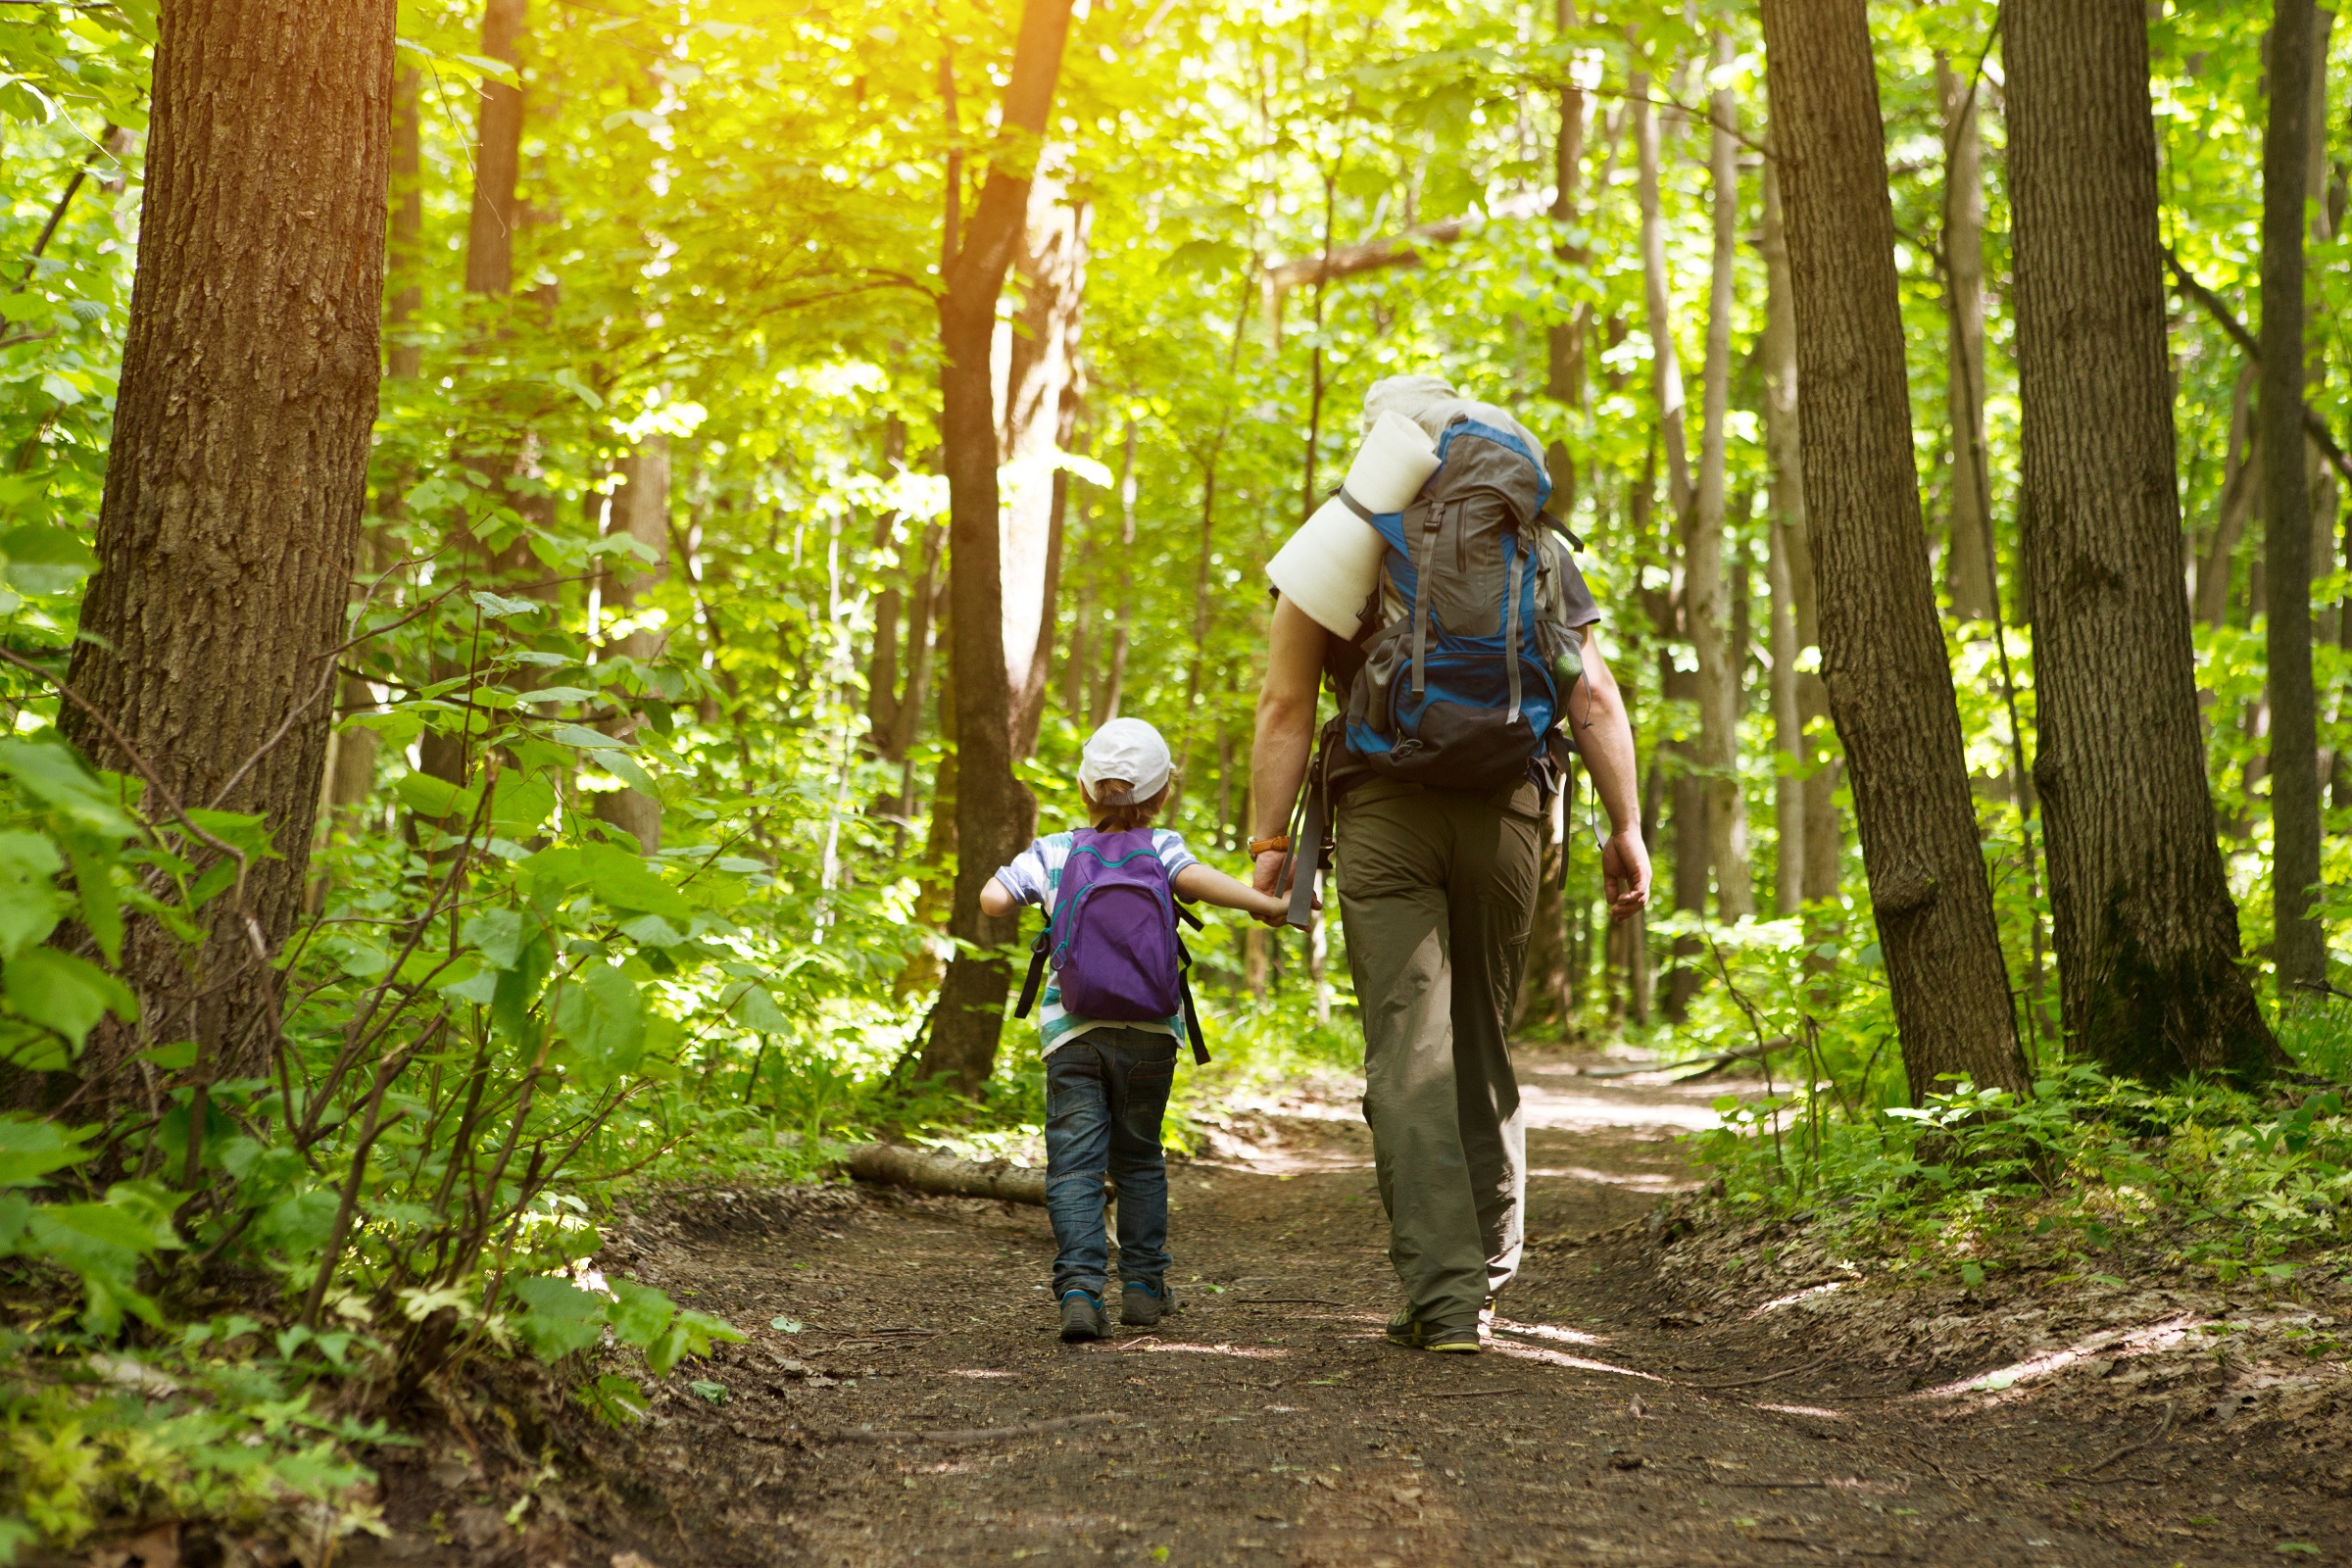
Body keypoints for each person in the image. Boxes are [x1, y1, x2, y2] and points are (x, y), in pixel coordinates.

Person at [1248, 374, 1652, 1353]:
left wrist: (1268, 843)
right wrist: (1626, 824)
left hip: (1386, 814)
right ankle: (1482, 1275)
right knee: (1479, 1040)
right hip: (1510, 810)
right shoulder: (1535, 547)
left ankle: (1444, 1292)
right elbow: (1591, 696)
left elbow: (1285, 705)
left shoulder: (1344, 538)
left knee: (1409, 1048)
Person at [981, 717, 1291, 1343]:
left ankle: (1078, 1291)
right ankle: (1145, 1288)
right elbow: (1204, 885)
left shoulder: (1056, 850)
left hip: (1072, 1034)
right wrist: (1268, 904)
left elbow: (992, 899)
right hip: (1152, 1030)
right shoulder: (1163, 847)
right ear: (1163, 793)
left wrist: (1027, 892)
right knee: (1141, 1161)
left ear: (1083, 788)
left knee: (1074, 1167)